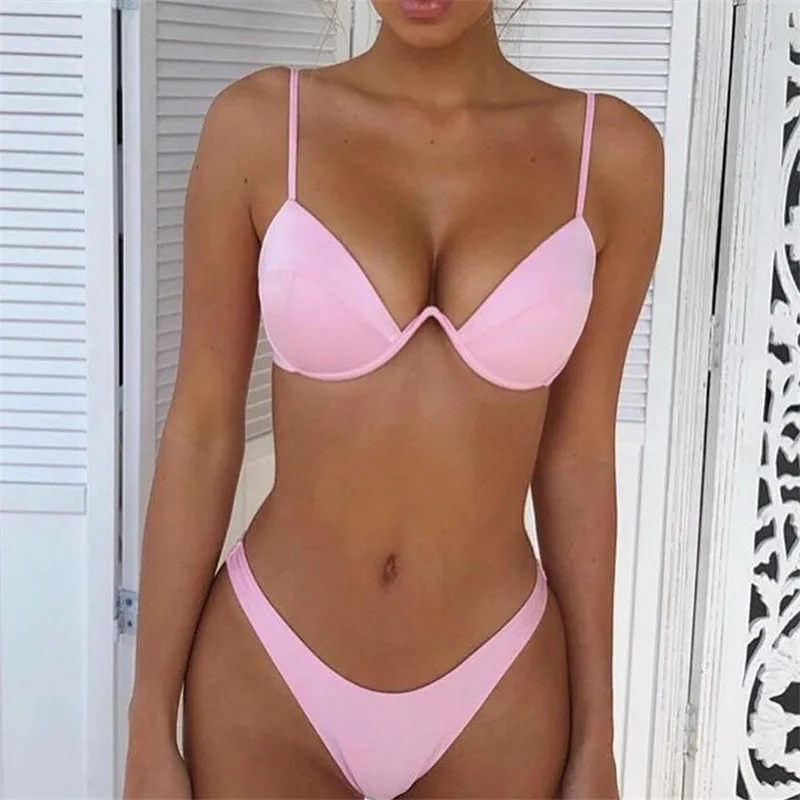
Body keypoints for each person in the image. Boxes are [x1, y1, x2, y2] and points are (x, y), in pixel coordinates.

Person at [123, 0, 664, 797]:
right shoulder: (259, 125)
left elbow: (578, 455)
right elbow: (201, 430)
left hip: (498, 687)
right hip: (269, 674)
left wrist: (597, 737)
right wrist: (146, 724)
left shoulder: (611, 155)